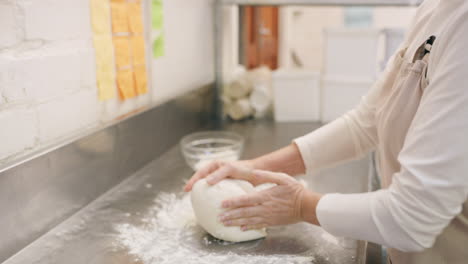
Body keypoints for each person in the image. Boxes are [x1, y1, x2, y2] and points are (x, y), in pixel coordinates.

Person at [185, 0, 468, 262]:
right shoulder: (434, 7)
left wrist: (300, 205)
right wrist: (254, 169)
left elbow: (412, 218)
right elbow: (365, 123)